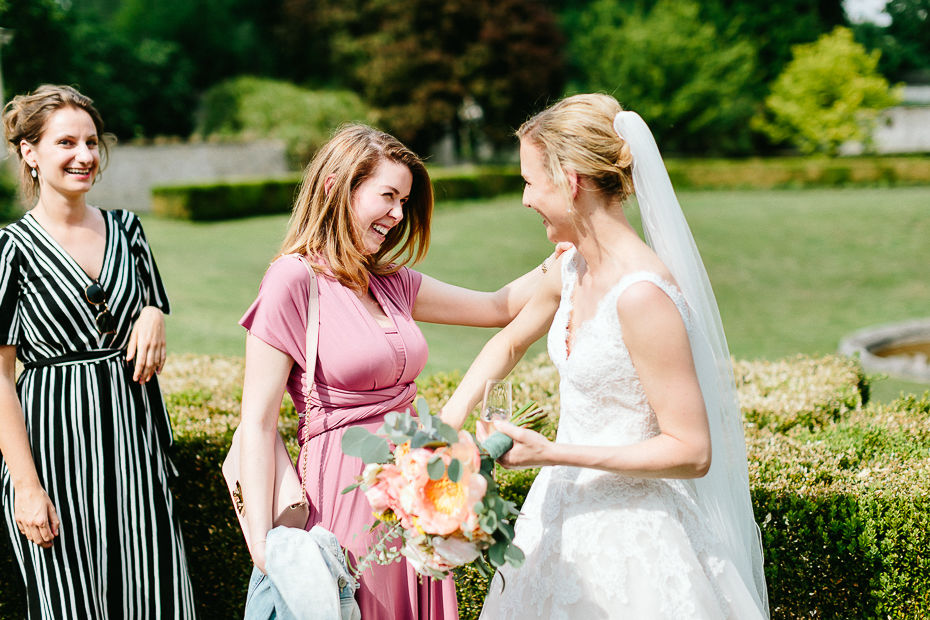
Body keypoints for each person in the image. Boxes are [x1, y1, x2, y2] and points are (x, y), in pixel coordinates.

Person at [440, 94, 770, 618]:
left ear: (570, 181)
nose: (525, 199)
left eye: (530, 182)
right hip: (555, 518)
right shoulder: (570, 267)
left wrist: (552, 453)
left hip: (636, 538)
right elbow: (508, 338)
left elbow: (691, 451)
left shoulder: (642, 296)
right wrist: (443, 430)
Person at [237, 124, 560, 618]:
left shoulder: (391, 281)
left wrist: (570, 251)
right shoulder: (293, 279)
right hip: (342, 501)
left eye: (404, 201)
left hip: (416, 496)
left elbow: (497, 306)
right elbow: (256, 423)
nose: (396, 214)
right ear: (335, 188)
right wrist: (262, 546)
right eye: (387, 196)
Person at [0, 85, 196, 618]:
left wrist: (153, 313)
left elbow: (151, 302)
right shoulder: (9, 250)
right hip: (54, 459)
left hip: (135, 454)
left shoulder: (129, 231)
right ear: (30, 153)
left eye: (91, 142)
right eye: (66, 142)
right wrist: (26, 487)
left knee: (154, 599)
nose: (85, 156)